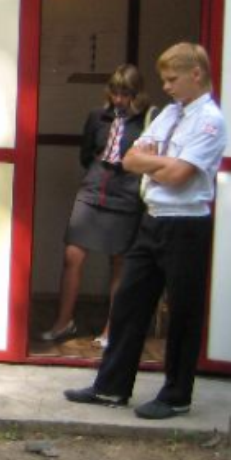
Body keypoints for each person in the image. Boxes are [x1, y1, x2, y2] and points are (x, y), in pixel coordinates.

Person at [65, 42, 227, 419]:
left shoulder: (210, 120)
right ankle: (111, 387)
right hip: (153, 218)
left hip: (186, 224)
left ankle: (175, 395)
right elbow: (129, 158)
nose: (167, 87)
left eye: (173, 79)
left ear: (196, 74)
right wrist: (159, 161)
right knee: (128, 303)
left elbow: (178, 174)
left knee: (183, 312)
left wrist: (152, 162)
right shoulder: (170, 113)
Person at [39, 65, 149, 347]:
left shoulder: (146, 122)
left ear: (136, 94)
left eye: (126, 94)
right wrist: (97, 175)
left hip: (125, 196)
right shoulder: (97, 117)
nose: (119, 100)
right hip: (92, 191)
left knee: (119, 262)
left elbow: (146, 160)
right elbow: (86, 154)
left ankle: (111, 330)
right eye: (115, 92)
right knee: (73, 255)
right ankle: (63, 322)